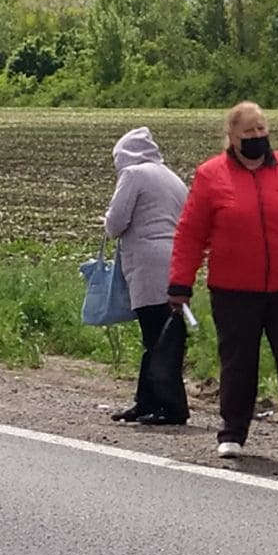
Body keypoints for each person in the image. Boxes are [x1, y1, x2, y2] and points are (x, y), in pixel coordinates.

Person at [168, 101, 278, 461]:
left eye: (261, 129)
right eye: (248, 132)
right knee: (238, 363)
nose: (257, 136)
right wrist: (180, 283)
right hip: (234, 289)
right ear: (232, 137)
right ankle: (233, 432)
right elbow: (191, 233)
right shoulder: (210, 175)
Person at [104, 127, 190, 426]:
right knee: (165, 334)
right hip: (175, 263)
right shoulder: (172, 178)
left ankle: (170, 406)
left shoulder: (133, 175)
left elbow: (115, 223)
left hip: (147, 264)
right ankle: (146, 401)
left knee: (155, 337)